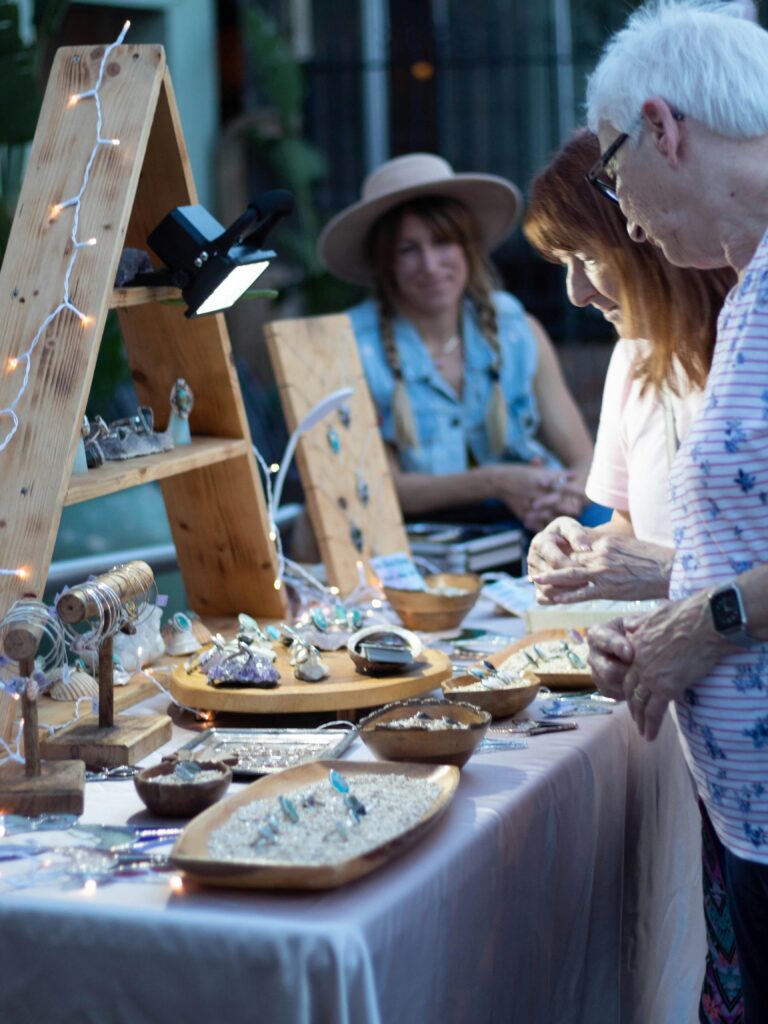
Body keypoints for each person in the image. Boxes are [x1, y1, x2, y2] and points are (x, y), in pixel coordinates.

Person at [524, 128, 738, 1023]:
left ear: (644, 230)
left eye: (585, 257)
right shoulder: (628, 363)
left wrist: (657, 573)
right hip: (703, 740)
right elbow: (623, 530)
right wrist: (576, 548)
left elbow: (671, 561)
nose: (576, 292)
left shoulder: (745, 348)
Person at [583, 3, 768, 1020]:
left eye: (612, 177)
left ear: (663, 128)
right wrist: (667, 622)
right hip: (746, 816)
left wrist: (702, 625)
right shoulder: (747, 283)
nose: (624, 214)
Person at [318, 152, 599, 534]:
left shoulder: (516, 329)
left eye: (442, 242)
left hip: (532, 515)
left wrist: (567, 496)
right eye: (408, 250)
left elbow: (583, 458)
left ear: (468, 247)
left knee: (607, 520)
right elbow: (379, 488)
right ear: (385, 264)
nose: (430, 265)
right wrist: (497, 482)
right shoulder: (351, 347)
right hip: (424, 536)